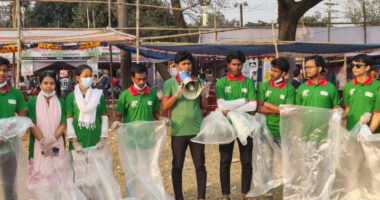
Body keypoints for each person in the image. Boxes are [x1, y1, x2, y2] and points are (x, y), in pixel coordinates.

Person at [111, 63, 167, 197]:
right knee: (132, 171)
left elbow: (155, 113)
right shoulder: (126, 95)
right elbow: (119, 115)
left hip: (148, 139)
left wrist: (162, 119)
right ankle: (132, 196)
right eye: (139, 79)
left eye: (144, 79)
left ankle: (147, 195)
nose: (142, 82)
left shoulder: (152, 93)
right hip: (131, 140)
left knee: (148, 170)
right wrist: (116, 122)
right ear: (132, 78)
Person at [162, 51, 208, 200]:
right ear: (176, 66)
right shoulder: (169, 83)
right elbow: (164, 107)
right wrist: (177, 94)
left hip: (196, 130)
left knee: (200, 165)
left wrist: (204, 95)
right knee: (177, 166)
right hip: (178, 130)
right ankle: (179, 197)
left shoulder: (198, 82)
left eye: (189, 64)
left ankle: (201, 196)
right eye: (183, 64)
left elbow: (204, 107)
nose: (187, 67)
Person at [216, 51, 257, 200]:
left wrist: (231, 106)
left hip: (245, 128)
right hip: (226, 127)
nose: (237, 67)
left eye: (239, 64)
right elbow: (221, 106)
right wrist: (242, 102)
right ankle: (225, 194)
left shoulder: (248, 82)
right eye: (234, 64)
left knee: (247, 162)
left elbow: (253, 106)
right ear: (228, 65)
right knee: (225, 161)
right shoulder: (221, 82)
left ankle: (245, 193)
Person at [0, 57, 29, 200]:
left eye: (4, 70)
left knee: (9, 184)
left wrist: (10, 131)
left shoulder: (16, 93)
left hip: (9, 145)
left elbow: (22, 118)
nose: (1, 73)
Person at [27, 71, 66, 173]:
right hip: (38, 143)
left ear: (55, 84)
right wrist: (43, 142)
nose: (48, 86)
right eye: (45, 83)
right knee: (39, 176)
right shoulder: (32, 102)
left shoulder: (61, 102)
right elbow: (32, 124)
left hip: (56, 143)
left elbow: (63, 124)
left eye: (51, 83)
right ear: (40, 84)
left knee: (57, 175)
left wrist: (52, 140)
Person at [258, 57, 296, 143]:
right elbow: (258, 108)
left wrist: (267, 104)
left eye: (275, 71)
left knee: (283, 157)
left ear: (283, 73)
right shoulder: (264, 86)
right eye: (271, 70)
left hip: (283, 132)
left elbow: (287, 111)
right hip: (265, 131)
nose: (271, 73)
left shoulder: (290, 89)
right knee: (266, 157)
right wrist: (279, 110)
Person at [343, 54, 380, 134]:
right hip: (351, 131)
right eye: (352, 65)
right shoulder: (348, 86)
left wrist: (368, 134)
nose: (354, 68)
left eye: (358, 66)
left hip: (370, 134)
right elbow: (347, 109)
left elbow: (378, 113)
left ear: (367, 67)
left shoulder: (377, 86)